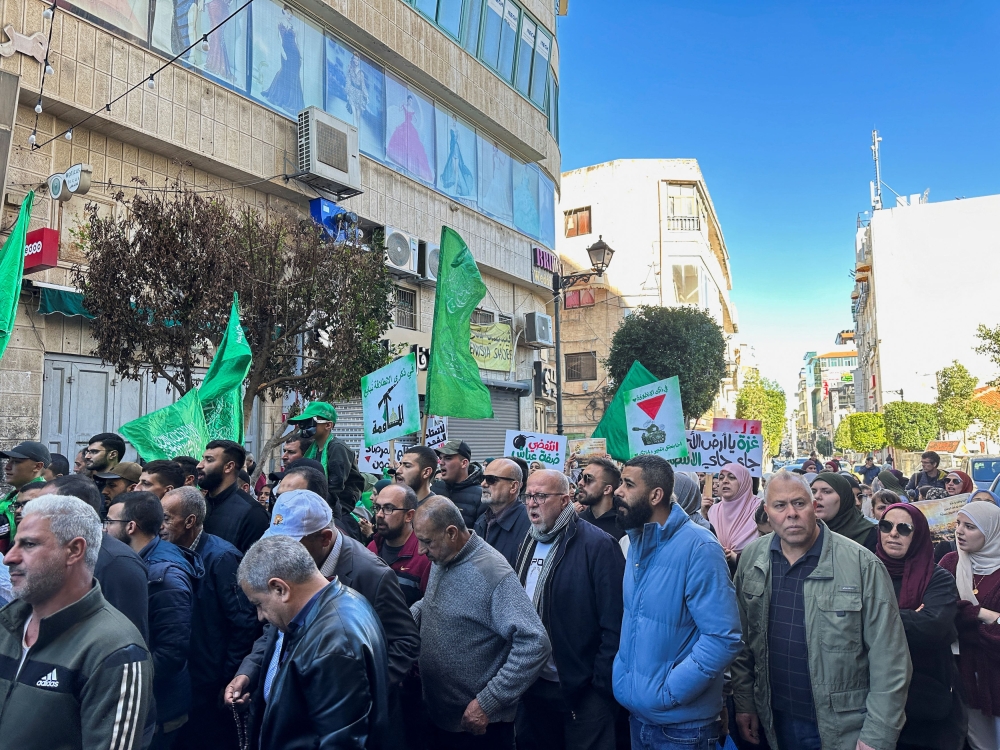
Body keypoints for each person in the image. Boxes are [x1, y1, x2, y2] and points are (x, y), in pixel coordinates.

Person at [732, 471, 912, 750]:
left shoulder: (862, 565)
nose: (791, 513)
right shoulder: (752, 559)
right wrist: (745, 702)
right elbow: (742, 643)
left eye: (799, 504)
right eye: (780, 506)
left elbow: (890, 659)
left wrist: (878, 734)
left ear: (814, 507)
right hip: (773, 720)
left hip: (841, 728)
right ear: (767, 512)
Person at [0, 495, 152, 749]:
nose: (9, 557)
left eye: (28, 545)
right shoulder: (7, 625)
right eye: (14, 544)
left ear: (74, 550)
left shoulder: (116, 650)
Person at [613, 455, 740, 750]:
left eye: (628, 484)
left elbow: (723, 637)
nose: (618, 491)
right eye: (620, 482)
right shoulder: (637, 541)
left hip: (684, 729)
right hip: (640, 717)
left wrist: (669, 691)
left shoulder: (699, 546)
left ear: (656, 495)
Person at [231, 489, 419, 688]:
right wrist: (250, 670)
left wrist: (364, 691)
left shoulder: (373, 575)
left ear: (325, 538)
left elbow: (406, 642)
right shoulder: (287, 563)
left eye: (292, 545)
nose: (281, 554)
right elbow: (277, 626)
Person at [411, 496, 550, 749]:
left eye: (426, 542)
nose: (421, 550)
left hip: (478, 728)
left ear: (451, 532)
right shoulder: (443, 555)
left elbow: (535, 642)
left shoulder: (492, 573)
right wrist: (406, 620)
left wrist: (488, 702)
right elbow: (435, 602)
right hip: (442, 717)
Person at [226, 535, 389, 749]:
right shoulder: (344, 600)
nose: (260, 616)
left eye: (259, 604)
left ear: (280, 589)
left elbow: (340, 743)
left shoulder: (334, 645)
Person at [513, 470, 624, 750]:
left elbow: (615, 622)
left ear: (565, 500)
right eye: (528, 496)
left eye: (541, 496)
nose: (532, 503)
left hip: (580, 690)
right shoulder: (529, 540)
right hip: (534, 684)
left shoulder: (598, 545)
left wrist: (598, 687)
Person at [161, 487, 261, 750]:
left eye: (167, 518)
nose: (160, 526)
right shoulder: (166, 553)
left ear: (190, 521)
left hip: (211, 681)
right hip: (185, 678)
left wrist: (228, 677)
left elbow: (243, 624)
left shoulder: (222, 557)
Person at [107, 491, 203, 748]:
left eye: (109, 522)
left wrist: (124, 682)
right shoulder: (140, 561)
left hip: (160, 709)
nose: (104, 529)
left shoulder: (164, 575)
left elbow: (171, 652)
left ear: (130, 526)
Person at [875, 502, 966, 750]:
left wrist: (874, 617)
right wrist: (908, 616)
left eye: (904, 528)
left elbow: (933, 626)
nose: (893, 533)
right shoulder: (865, 571)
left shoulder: (937, 578)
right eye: (886, 525)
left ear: (918, 535)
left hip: (925, 698)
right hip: (873, 698)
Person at [40, 474, 150, 641]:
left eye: (45, 507)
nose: (35, 514)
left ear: (76, 510)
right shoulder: (57, 552)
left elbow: (127, 640)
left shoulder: (118, 563)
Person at [939, 502, 1000, 749]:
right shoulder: (951, 562)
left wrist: (963, 618)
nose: (960, 532)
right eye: (958, 524)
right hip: (962, 672)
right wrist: (984, 614)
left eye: (970, 526)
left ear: (992, 531)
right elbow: (940, 610)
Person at [286, 401, 365, 519]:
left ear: (328, 425)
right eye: (303, 423)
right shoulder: (313, 448)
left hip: (339, 510)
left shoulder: (338, 448)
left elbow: (335, 486)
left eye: (310, 422)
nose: (305, 427)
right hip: (318, 506)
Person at [198, 440, 269, 553]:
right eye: (203, 459)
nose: (199, 465)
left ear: (229, 467)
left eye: (209, 460)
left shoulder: (253, 514)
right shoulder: (200, 505)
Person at [367, 483, 432, 605]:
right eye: (377, 507)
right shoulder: (371, 548)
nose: (379, 514)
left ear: (409, 516)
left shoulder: (425, 558)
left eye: (388, 508)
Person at [474, 458, 531, 567]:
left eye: (491, 479)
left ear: (513, 486)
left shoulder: (529, 524)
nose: (483, 484)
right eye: (483, 478)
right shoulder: (481, 520)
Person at [0, 441, 50, 552]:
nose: (7, 467)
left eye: (16, 462)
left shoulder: (44, 496)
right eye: (9, 461)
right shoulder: (12, 495)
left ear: (37, 466)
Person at [708, 462, 760, 567]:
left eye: (732, 477)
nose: (725, 481)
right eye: (721, 478)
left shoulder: (759, 508)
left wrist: (735, 557)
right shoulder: (713, 510)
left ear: (744, 482)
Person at [811, 471, 878, 551]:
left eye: (826, 492)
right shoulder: (804, 532)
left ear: (844, 498)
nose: (817, 496)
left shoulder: (871, 534)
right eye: (813, 492)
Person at [431, 439, 485, 530]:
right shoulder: (435, 489)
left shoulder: (481, 496)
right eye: (440, 458)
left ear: (464, 463)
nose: (441, 462)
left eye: (448, 458)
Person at [575, 457, 625, 541]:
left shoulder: (625, 525)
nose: (580, 483)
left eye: (588, 479)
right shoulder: (576, 522)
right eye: (581, 477)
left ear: (607, 489)